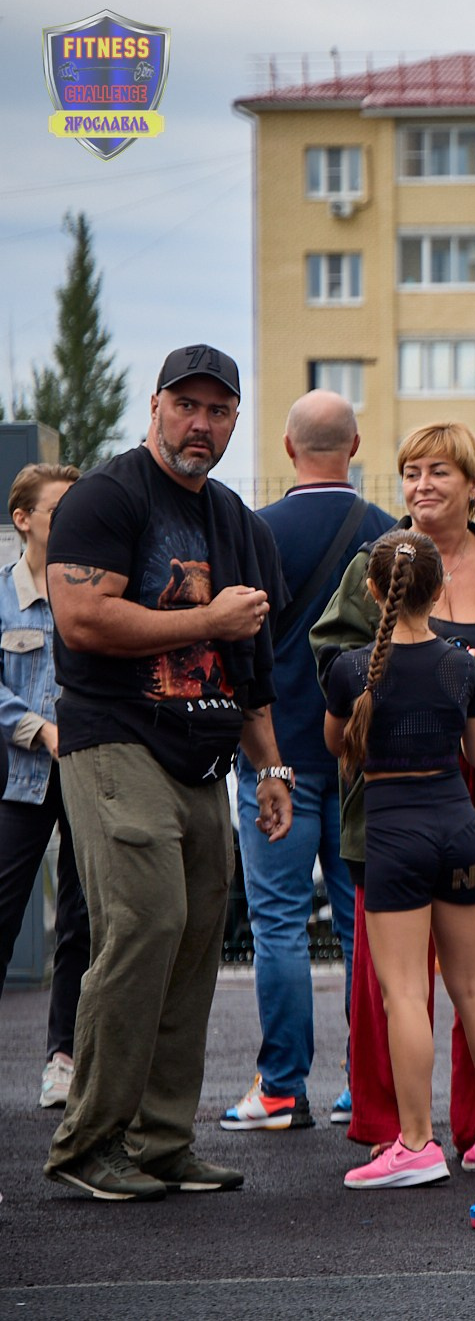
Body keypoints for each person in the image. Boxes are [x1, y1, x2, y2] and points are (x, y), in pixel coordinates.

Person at [44, 344, 293, 1202]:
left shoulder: (240, 525)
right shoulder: (107, 497)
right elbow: (81, 618)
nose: (201, 423)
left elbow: (251, 670)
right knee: (146, 920)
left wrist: (272, 772)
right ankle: (89, 1139)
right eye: (186, 405)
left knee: (196, 941)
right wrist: (207, 617)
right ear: (155, 407)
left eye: (218, 410)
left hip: (204, 758)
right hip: (115, 737)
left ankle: (158, 1139)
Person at [313, 421, 475, 1162]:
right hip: (392, 803)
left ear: (473, 484)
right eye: (410, 472)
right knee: (390, 985)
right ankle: (388, 1124)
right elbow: (329, 654)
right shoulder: (374, 565)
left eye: (437, 471)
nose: (421, 485)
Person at [220, 391, 396, 1132]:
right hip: (365, 756)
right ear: (355, 444)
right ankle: (367, 1084)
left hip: (277, 759)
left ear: (289, 450)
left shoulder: (256, 533)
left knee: (281, 921)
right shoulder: (390, 536)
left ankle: (282, 1085)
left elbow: (237, 649)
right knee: (366, 923)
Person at [324, 533, 475, 1186]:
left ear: (373, 590)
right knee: (474, 986)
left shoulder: (351, 670)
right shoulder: (463, 666)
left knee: (406, 991)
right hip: (458, 830)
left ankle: (415, 1142)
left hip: (394, 833)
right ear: (440, 591)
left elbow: (338, 747)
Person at [0, 464, 84, 1109]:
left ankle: (64, 1059)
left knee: (81, 922)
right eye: (58, 509)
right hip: (19, 780)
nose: (72, 519)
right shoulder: (3, 596)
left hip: (89, 776)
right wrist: (37, 729)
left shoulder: (93, 592)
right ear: (23, 518)